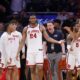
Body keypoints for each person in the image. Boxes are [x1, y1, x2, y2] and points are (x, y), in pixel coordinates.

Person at [16, 15, 64, 80]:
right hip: (30, 51)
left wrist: (58, 42)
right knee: (32, 69)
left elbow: (48, 38)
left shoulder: (41, 27)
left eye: (34, 18)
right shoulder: (26, 28)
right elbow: (22, 41)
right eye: (31, 18)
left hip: (39, 50)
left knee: (40, 67)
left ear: (36, 19)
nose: (33, 19)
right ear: (29, 20)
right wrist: (17, 52)